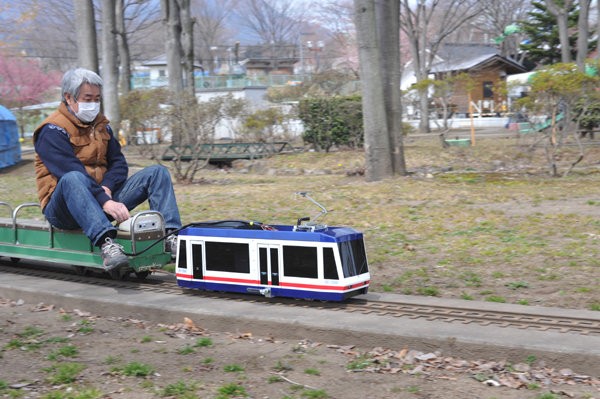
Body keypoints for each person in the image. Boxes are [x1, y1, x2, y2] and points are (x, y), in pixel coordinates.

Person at [33, 67, 181, 271]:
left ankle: (170, 237)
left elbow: (119, 164)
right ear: (69, 97)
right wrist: (104, 201)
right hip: (63, 209)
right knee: (73, 177)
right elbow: (70, 170)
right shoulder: (51, 130)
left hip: (102, 199)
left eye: (96, 99)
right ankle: (107, 245)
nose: (93, 104)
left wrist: (108, 189)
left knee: (157, 172)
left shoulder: (102, 126)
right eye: (87, 98)